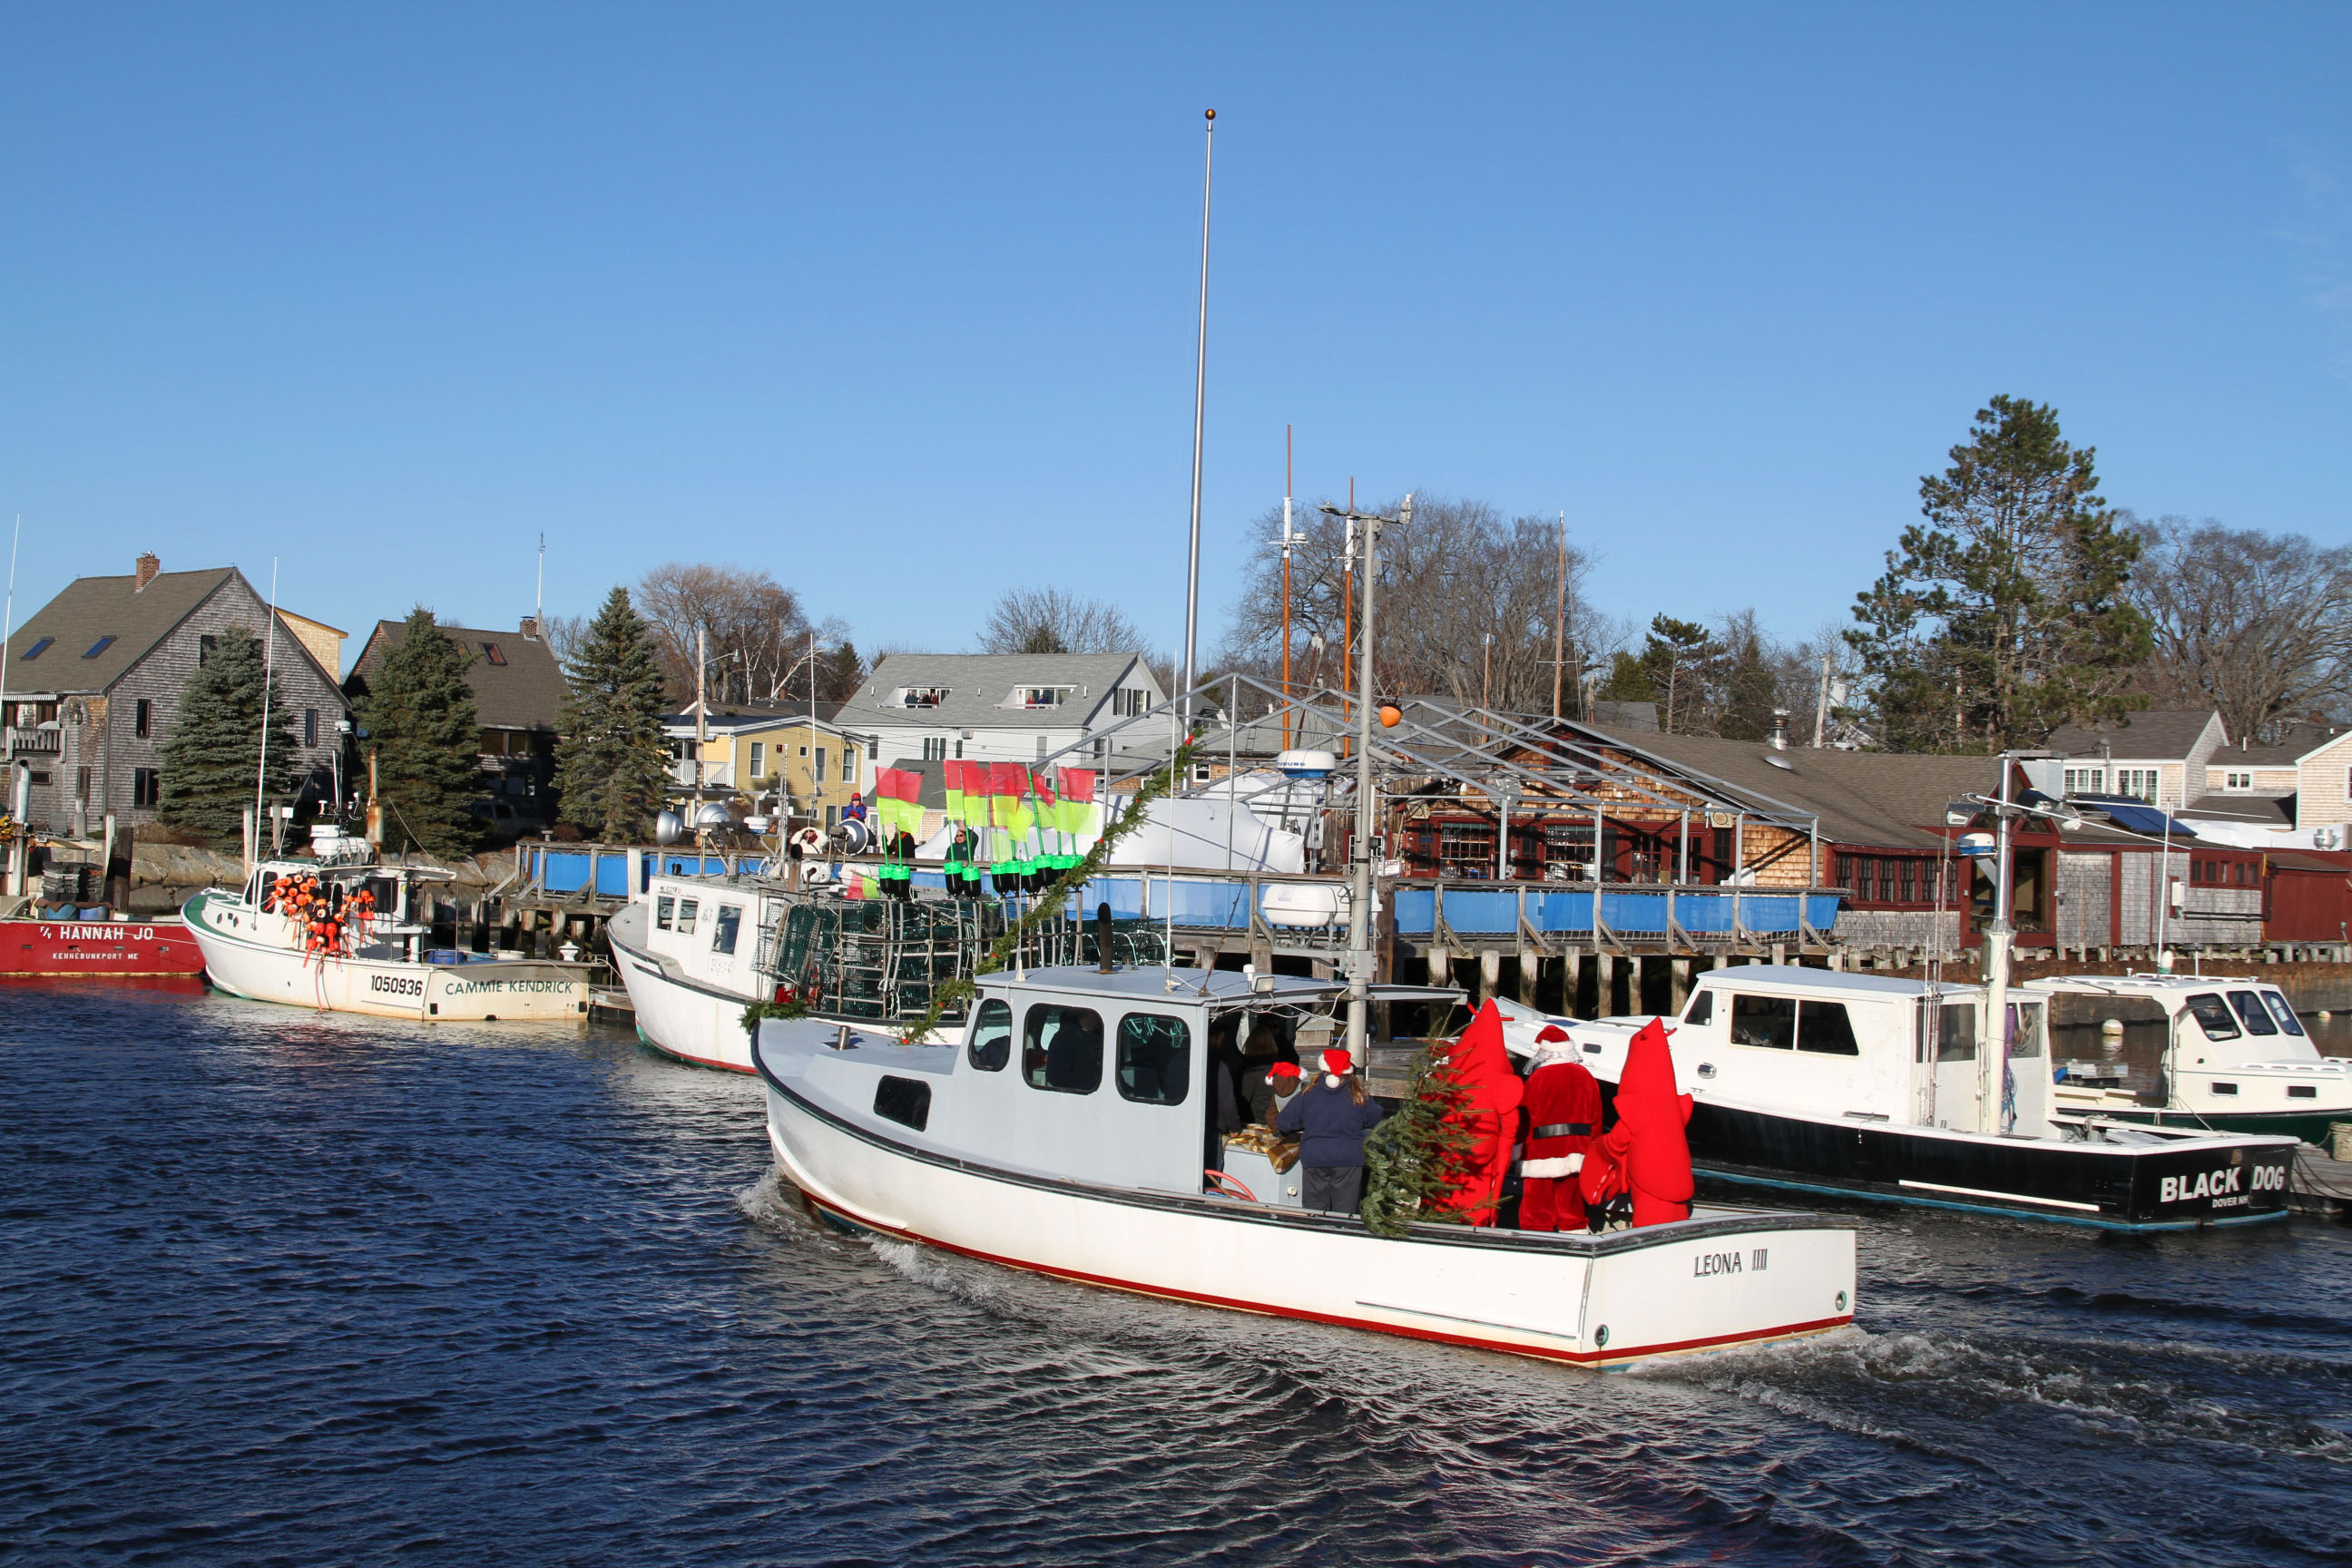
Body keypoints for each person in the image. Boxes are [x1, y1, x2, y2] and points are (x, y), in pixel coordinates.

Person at [1579, 1017, 1694, 1228]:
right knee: (1677, 1224)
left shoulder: (1638, 1109)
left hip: (1651, 1188)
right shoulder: (1675, 1107)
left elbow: (1615, 1143)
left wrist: (1597, 1152)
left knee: (1651, 1226)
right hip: (1680, 1182)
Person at [1277, 1048, 1385, 1214]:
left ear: (1323, 1069)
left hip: (1315, 1157)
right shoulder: (1358, 1095)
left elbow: (1284, 1122)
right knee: (1345, 1213)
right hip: (1349, 1159)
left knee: (1314, 1213)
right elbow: (1375, 1116)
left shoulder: (1309, 1094)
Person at [1517, 1026, 1602, 1232]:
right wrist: (1594, 1145)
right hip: (1577, 1148)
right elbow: (1596, 1116)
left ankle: (1537, 1237)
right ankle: (1575, 1233)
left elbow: (1525, 1117)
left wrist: (1518, 1146)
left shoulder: (1538, 1078)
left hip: (1541, 1149)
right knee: (1570, 1204)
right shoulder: (1585, 1076)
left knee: (1536, 1206)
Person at [1253, 1059, 1306, 1127]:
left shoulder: (1276, 1093)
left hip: (1283, 1128)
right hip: (1303, 1127)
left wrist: (1277, 1131)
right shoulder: (1304, 1089)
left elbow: (1270, 1116)